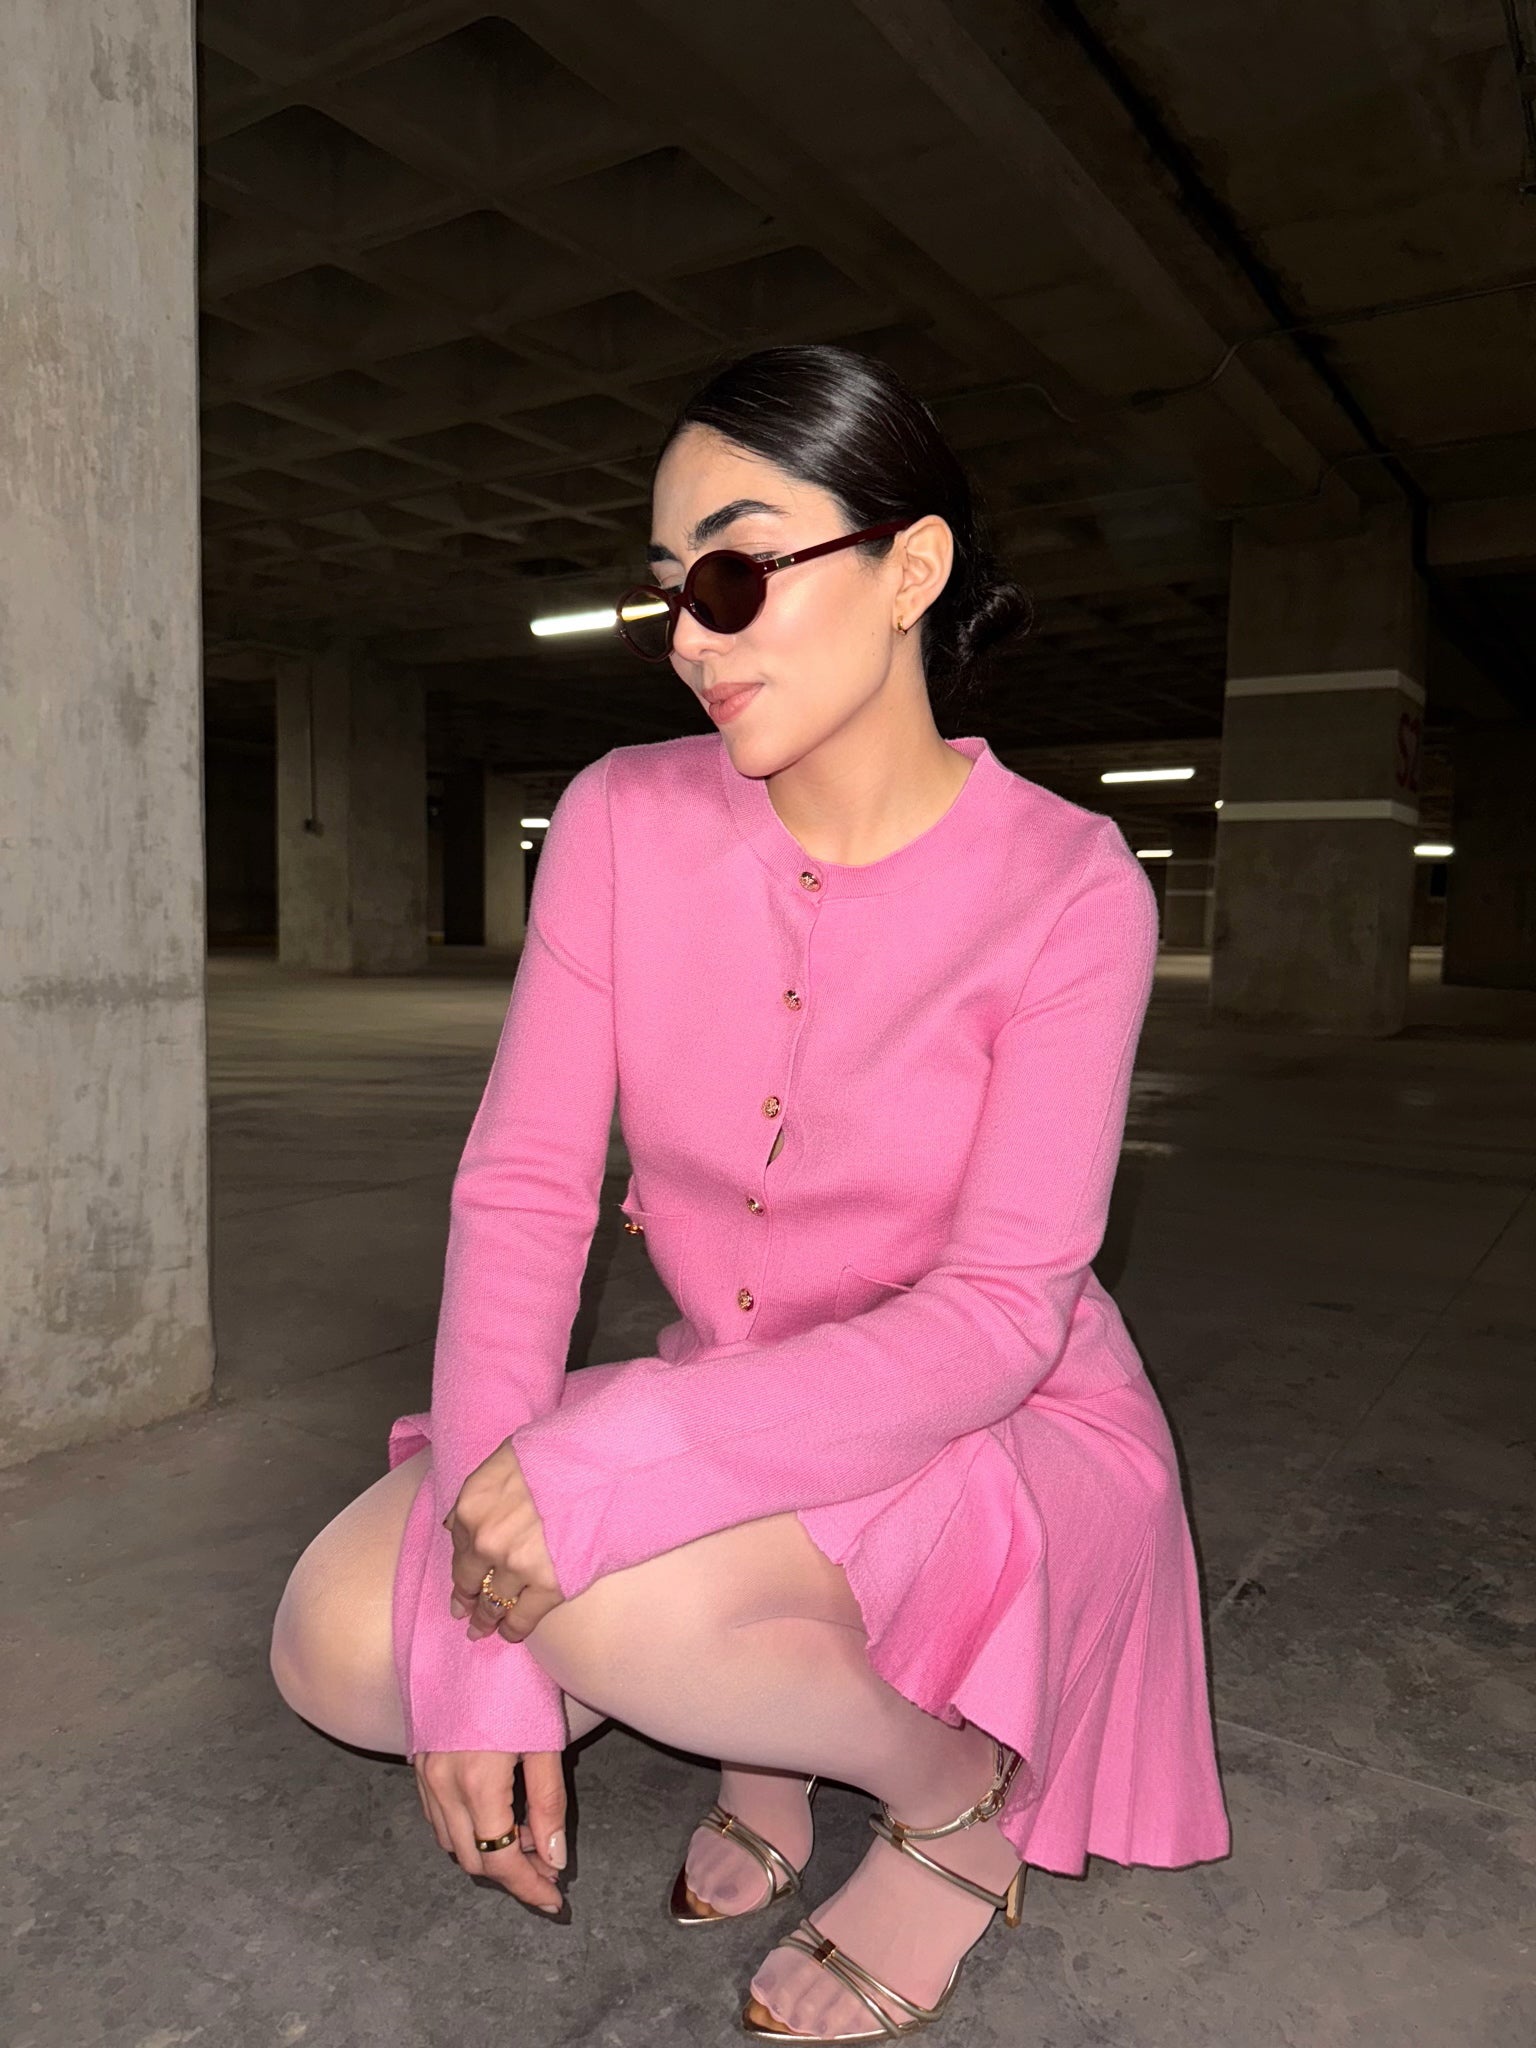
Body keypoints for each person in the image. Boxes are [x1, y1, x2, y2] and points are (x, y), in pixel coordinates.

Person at [270, 342, 1231, 2042]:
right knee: (345, 1644)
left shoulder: (1073, 885)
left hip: (995, 1419)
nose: (689, 640)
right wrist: (481, 1653)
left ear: (910, 570)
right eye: (668, 595)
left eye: (731, 575)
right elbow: (523, 1196)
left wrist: (615, 1455)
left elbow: (999, 1315)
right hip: (741, 1384)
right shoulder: (622, 819)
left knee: (608, 1579)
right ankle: (761, 1720)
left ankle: (950, 1799)